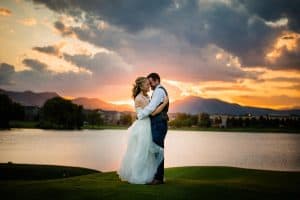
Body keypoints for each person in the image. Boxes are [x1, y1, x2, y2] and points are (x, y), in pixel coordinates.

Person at [117, 76, 169, 184]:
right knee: (141, 151)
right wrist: (164, 103)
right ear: (141, 86)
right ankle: (138, 175)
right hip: (142, 127)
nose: (149, 85)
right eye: (147, 84)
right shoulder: (139, 98)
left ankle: (151, 175)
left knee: (148, 152)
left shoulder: (147, 96)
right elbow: (148, 113)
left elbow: (150, 110)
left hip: (148, 125)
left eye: (149, 83)